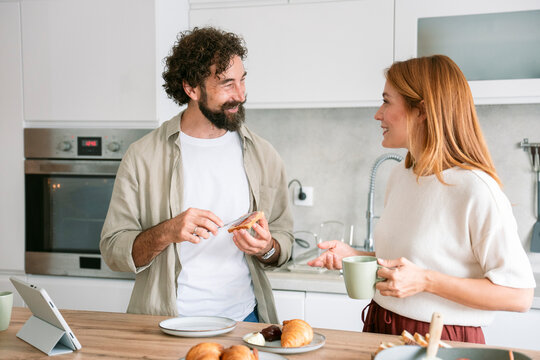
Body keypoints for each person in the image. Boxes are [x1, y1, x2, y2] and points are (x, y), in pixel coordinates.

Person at [308, 55, 536, 343]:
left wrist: (427, 281)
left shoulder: (476, 189)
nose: (378, 114)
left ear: (422, 111)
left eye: (387, 101)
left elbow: (519, 295)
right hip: (381, 327)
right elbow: (409, 264)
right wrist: (355, 257)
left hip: (440, 340)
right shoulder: (402, 175)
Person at [100, 27, 294, 323]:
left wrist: (267, 247)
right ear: (191, 88)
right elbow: (114, 251)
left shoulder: (262, 154)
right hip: (166, 324)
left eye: (242, 81)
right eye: (227, 84)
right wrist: (168, 231)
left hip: (244, 319)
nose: (240, 95)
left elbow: (283, 240)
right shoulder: (142, 156)